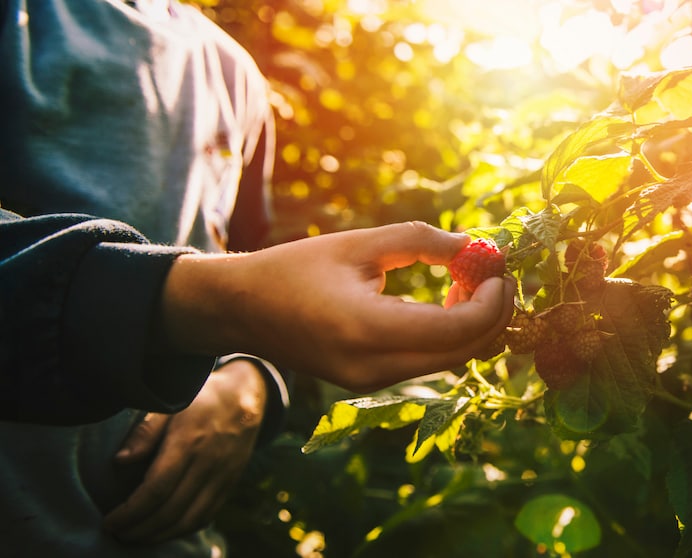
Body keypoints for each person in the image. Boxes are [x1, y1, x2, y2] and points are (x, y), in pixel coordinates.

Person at [0, 1, 514, 556]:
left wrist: (253, 380)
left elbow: (248, 263)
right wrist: (217, 306)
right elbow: (235, 292)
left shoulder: (233, 72)